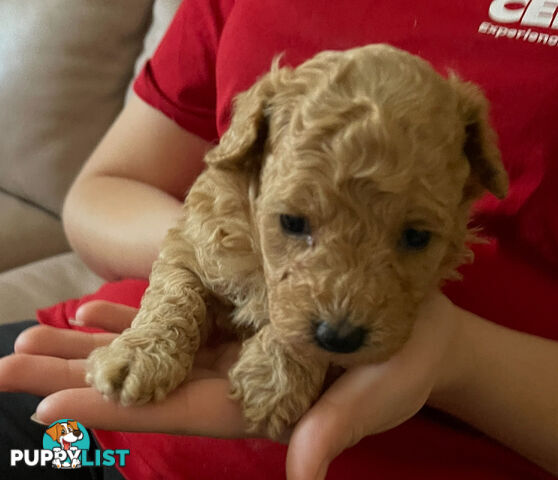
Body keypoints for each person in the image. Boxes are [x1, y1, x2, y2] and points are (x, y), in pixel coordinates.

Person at [1, 1, 557, 479]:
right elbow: (107, 191)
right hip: (89, 384)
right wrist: (230, 279)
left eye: (412, 236)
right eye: (295, 223)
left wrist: (456, 357)